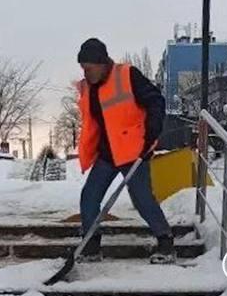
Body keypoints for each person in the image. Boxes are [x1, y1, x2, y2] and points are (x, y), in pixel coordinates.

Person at [75, 37, 175, 264]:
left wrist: (152, 132)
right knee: (89, 196)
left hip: (133, 150)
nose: (85, 73)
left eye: (89, 68)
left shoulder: (127, 75)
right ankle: (91, 246)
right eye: (83, 68)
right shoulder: (88, 87)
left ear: (102, 63)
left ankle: (165, 241)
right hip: (107, 152)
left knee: (142, 199)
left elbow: (155, 101)